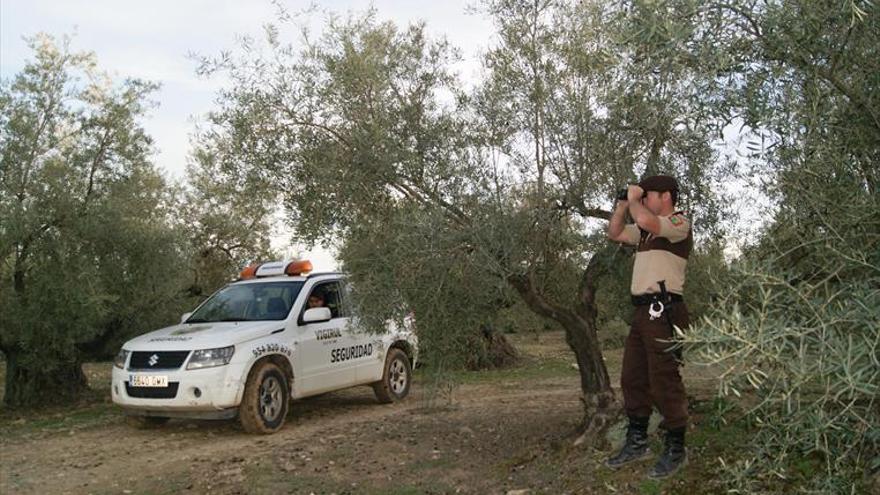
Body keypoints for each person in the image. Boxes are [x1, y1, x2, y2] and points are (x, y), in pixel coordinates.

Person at [605, 175, 693, 479]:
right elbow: (615, 233)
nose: (643, 201)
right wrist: (621, 206)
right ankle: (638, 441)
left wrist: (633, 200)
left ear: (665, 196)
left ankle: (676, 448)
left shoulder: (678, 223)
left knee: (664, 380)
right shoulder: (644, 231)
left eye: (648, 195)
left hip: (665, 311)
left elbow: (646, 219)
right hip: (643, 313)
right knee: (633, 378)